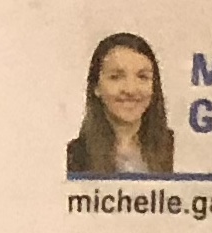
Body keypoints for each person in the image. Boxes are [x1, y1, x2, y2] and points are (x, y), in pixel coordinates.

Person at [66, 33, 174, 175]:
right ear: (96, 86)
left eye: (142, 77)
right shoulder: (74, 155)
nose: (130, 90)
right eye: (116, 77)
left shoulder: (176, 148)